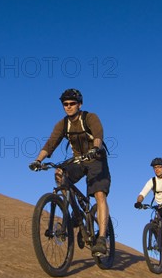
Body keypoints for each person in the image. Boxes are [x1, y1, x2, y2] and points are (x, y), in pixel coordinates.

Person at [29, 88, 111, 255]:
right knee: (59, 172)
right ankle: (75, 212)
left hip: (96, 159)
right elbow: (50, 143)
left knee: (99, 194)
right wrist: (38, 160)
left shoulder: (90, 117)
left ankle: (102, 238)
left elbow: (98, 134)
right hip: (78, 159)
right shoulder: (63, 124)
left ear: (79, 104)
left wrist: (95, 148)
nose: (68, 106)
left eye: (72, 103)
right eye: (65, 104)